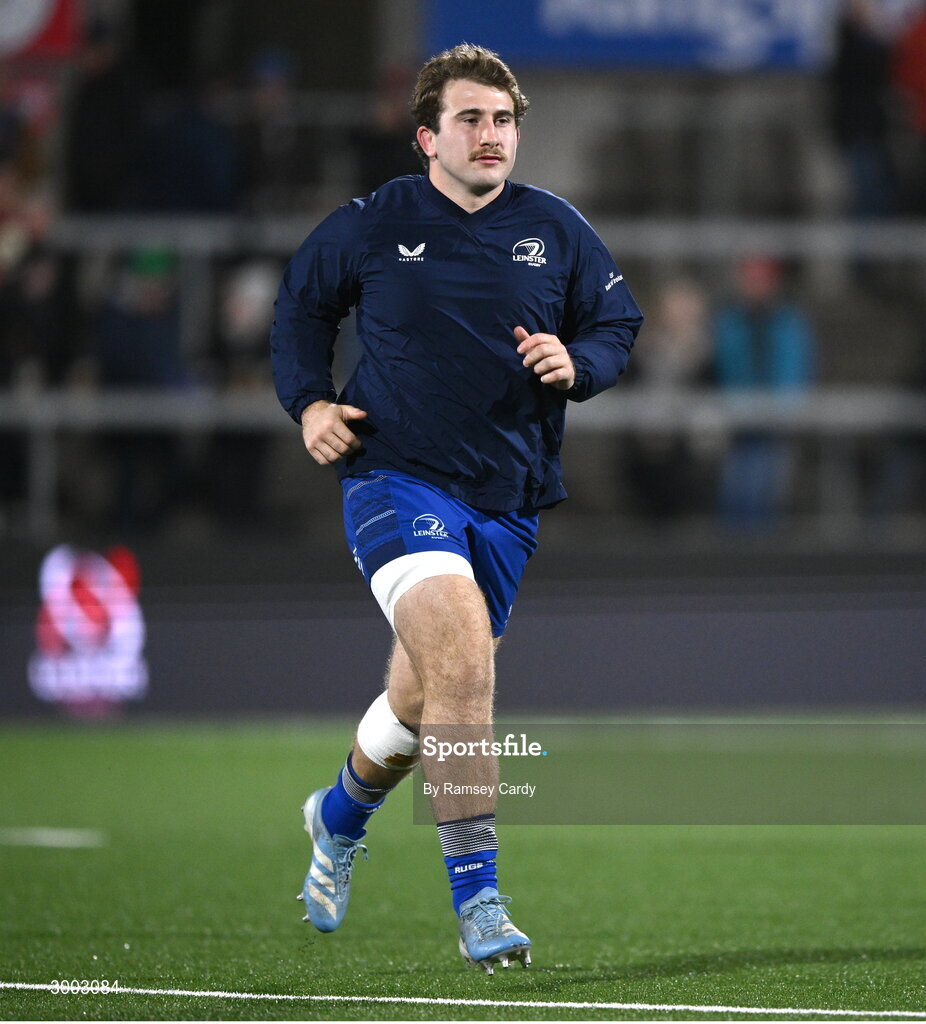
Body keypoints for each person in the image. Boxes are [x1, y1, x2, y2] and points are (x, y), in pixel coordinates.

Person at [270, 43, 643, 973]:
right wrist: (309, 402)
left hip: (509, 494)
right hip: (395, 476)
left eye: (505, 120)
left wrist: (580, 363)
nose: (491, 135)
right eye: (471, 119)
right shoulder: (373, 221)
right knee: (465, 659)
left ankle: (339, 813)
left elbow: (616, 323)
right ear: (427, 135)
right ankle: (480, 901)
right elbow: (298, 308)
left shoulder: (555, 229)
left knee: (427, 687)